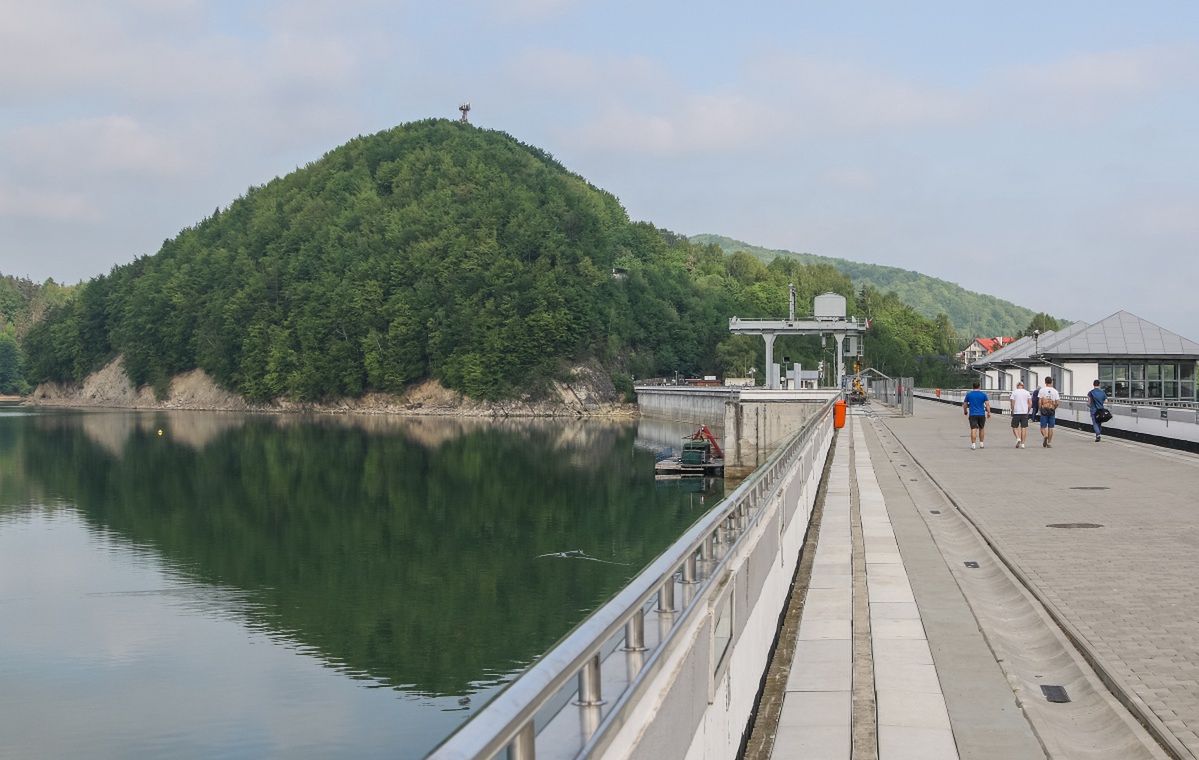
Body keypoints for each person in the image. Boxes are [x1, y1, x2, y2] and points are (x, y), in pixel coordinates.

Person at [963, 381, 990, 449]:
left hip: (973, 414)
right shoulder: (983, 395)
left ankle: (973, 444)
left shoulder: (969, 394)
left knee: (973, 429)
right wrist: (989, 412)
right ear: (979, 386)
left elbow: (965, 404)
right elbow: (987, 404)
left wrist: (965, 411)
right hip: (981, 414)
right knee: (981, 428)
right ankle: (981, 444)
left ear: (973, 387)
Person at [1038, 376, 1062, 447]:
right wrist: (1054, 408)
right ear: (1051, 382)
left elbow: (1039, 401)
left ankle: (1045, 435)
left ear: (1045, 382)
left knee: (1042, 427)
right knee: (1051, 427)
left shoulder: (1042, 390)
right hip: (1051, 410)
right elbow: (1057, 402)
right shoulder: (1055, 391)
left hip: (1044, 410)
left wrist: (1040, 409)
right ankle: (1049, 443)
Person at [1009, 381, 1033, 448]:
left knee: (1014, 427)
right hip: (1024, 412)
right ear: (1023, 386)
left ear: (1017, 386)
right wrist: (1028, 411)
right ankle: (1023, 444)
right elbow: (1030, 403)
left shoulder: (1014, 392)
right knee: (1024, 427)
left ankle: (1018, 438)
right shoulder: (1027, 392)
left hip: (1016, 412)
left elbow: (1012, 403)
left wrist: (1012, 411)